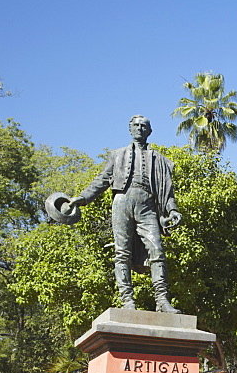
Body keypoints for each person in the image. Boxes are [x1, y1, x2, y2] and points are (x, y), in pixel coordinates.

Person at [64, 116, 182, 312]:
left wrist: (172, 209)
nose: (139, 128)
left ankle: (162, 301)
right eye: (135, 125)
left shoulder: (159, 159)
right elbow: (101, 180)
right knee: (122, 253)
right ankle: (127, 301)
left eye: (144, 125)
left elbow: (167, 191)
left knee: (157, 251)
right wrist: (83, 197)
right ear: (130, 129)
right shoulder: (117, 155)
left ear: (149, 131)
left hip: (147, 204)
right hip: (122, 201)